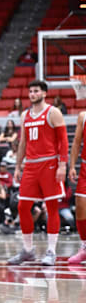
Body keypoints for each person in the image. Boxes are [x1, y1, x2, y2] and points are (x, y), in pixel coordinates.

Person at [8, 80, 68, 266]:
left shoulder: (53, 112)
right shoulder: (25, 115)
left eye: (36, 91)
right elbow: (23, 143)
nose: (32, 94)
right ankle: (28, 250)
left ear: (44, 93)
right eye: (30, 91)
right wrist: (18, 166)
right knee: (22, 207)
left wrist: (62, 165)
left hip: (49, 164)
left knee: (51, 207)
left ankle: (51, 251)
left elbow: (63, 140)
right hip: (31, 166)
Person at [68, 109, 86, 263]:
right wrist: (72, 165)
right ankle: (84, 246)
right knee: (80, 207)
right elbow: (77, 142)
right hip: (85, 168)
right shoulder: (83, 116)